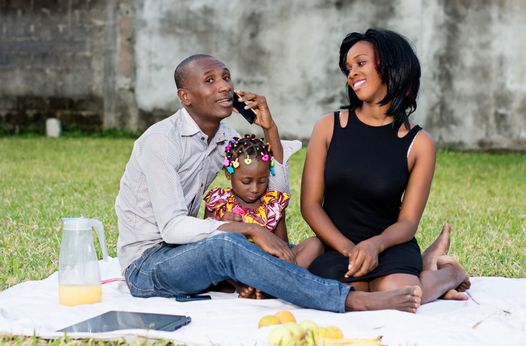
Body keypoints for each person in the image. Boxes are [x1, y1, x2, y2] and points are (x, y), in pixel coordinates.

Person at [116, 53, 422, 313]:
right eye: (210, 81)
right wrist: (252, 229)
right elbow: (172, 228)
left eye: (226, 78)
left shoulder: (224, 139)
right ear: (186, 97)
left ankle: (263, 282)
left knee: (312, 245)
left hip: (187, 253)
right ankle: (354, 301)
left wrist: (269, 128)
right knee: (229, 245)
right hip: (148, 266)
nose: (224, 86)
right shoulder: (161, 142)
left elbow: (272, 192)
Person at [301, 28, 470, 304]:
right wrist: (349, 249)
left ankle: (450, 272)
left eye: (361, 63)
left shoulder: (419, 143)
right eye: (348, 67)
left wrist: (374, 245)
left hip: (390, 243)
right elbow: (310, 204)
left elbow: (407, 222)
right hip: (336, 244)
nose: (352, 73)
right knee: (345, 295)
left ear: (391, 67)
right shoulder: (328, 127)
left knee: (400, 293)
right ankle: (427, 265)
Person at [204, 134, 324, 298]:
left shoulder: (272, 204)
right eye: (246, 181)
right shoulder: (219, 203)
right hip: (234, 270)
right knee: (215, 264)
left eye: (262, 181)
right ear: (229, 174)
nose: (254, 189)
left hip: (269, 267)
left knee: (315, 244)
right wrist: (226, 227)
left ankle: (270, 286)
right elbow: (208, 249)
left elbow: (283, 248)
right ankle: (255, 287)